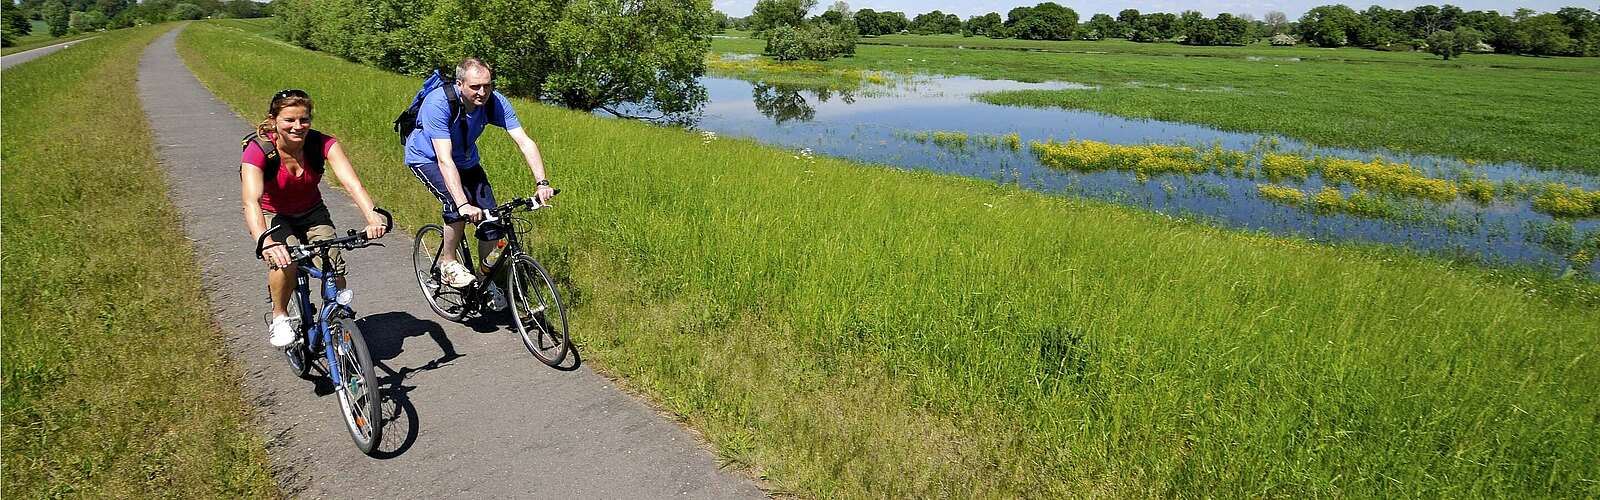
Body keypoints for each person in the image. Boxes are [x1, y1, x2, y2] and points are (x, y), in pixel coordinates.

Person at [404, 57, 555, 310]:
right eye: (475, 87)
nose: (482, 92)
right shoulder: (439, 103)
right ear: (460, 83)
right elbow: (444, 159)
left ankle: (485, 281)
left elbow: (524, 142)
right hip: (427, 158)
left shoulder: (494, 102)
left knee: (492, 218)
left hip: (466, 160)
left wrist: (542, 183)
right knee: (455, 206)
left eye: (487, 85)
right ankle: (448, 264)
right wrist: (463, 204)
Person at [243, 89, 388, 348]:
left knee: (333, 262)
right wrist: (266, 242)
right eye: (289, 120)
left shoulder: (322, 144)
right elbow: (250, 201)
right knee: (284, 260)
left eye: (304, 120)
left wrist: (372, 216)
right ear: (273, 119)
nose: (298, 126)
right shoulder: (259, 150)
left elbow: (352, 184)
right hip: (274, 213)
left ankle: (335, 316)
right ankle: (279, 316)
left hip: (311, 211)